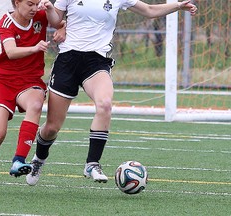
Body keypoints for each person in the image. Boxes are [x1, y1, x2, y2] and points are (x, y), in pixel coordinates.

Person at [26, 0, 198, 186]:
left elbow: (149, 10)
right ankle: (39, 159)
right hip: (68, 60)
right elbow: (55, 20)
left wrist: (178, 6)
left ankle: (92, 164)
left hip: (97, 62)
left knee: (105, 104)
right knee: (52, 127)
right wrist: (51, 9)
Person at [0, 0, 65, 194]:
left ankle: (19, 160)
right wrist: (34, 48)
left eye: (37, 3)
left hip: (30, 80)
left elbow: (60, 22)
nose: (34, 8)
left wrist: (53, 15)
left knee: (36, 104)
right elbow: (11, 52)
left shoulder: (40, 16)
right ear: (17, 3)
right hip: (3, 81)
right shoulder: (6, 22)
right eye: (30, 4)